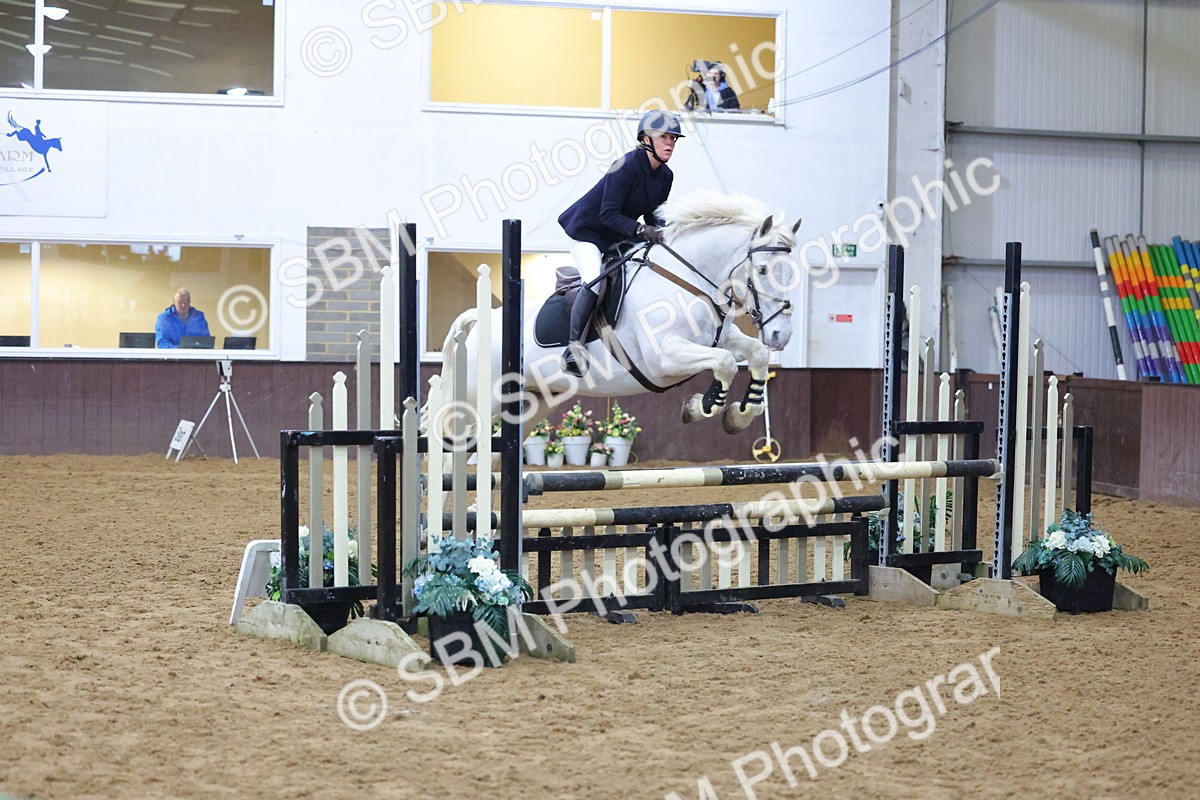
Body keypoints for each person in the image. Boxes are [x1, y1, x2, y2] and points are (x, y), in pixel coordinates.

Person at [556, 110, 682, 377]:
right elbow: (607, 214)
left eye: (673, 138)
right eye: (664, 137)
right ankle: (574, 349)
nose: (670, 143)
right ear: (646, 139)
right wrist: (641, 229)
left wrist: (670, 235)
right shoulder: (626, 165)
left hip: (618, 235)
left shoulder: (666, 176)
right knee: (595, 280)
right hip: (587, 232)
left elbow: (654, 216)